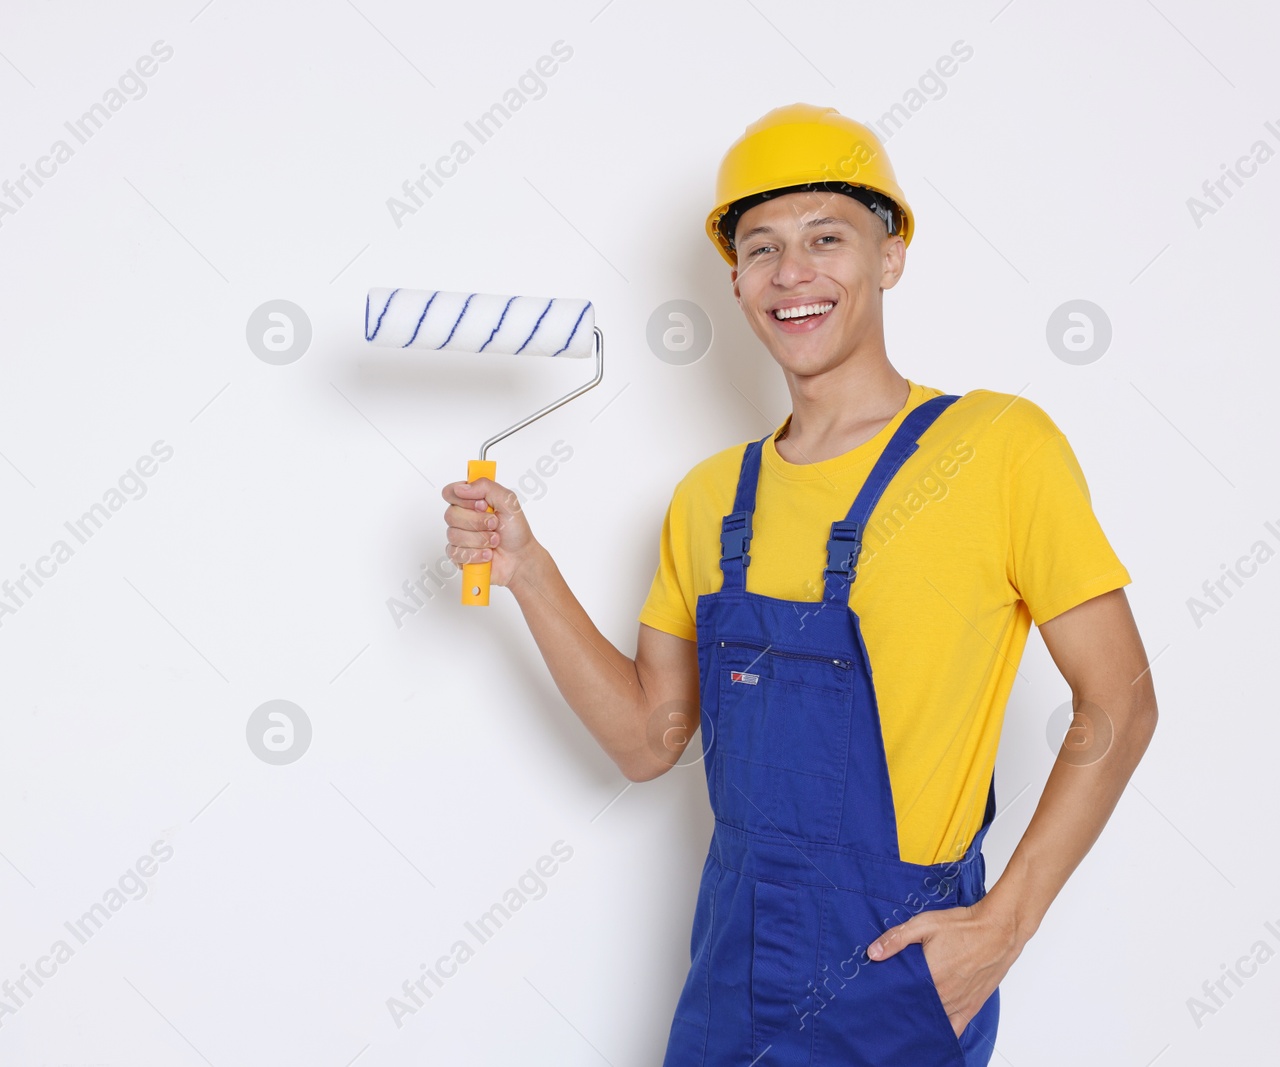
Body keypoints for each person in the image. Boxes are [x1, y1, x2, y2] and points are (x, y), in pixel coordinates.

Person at [439, 102, 1156, 1065]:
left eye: (828, 237)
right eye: (762, 247)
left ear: (891, 253)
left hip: (897, 965)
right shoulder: (709, 500)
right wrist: (526, 570)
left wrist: (1005, 923)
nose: (793, 273)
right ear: (735, 280)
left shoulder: (997, 449)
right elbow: (652, 740)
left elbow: (1122, 700)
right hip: (730, 961)